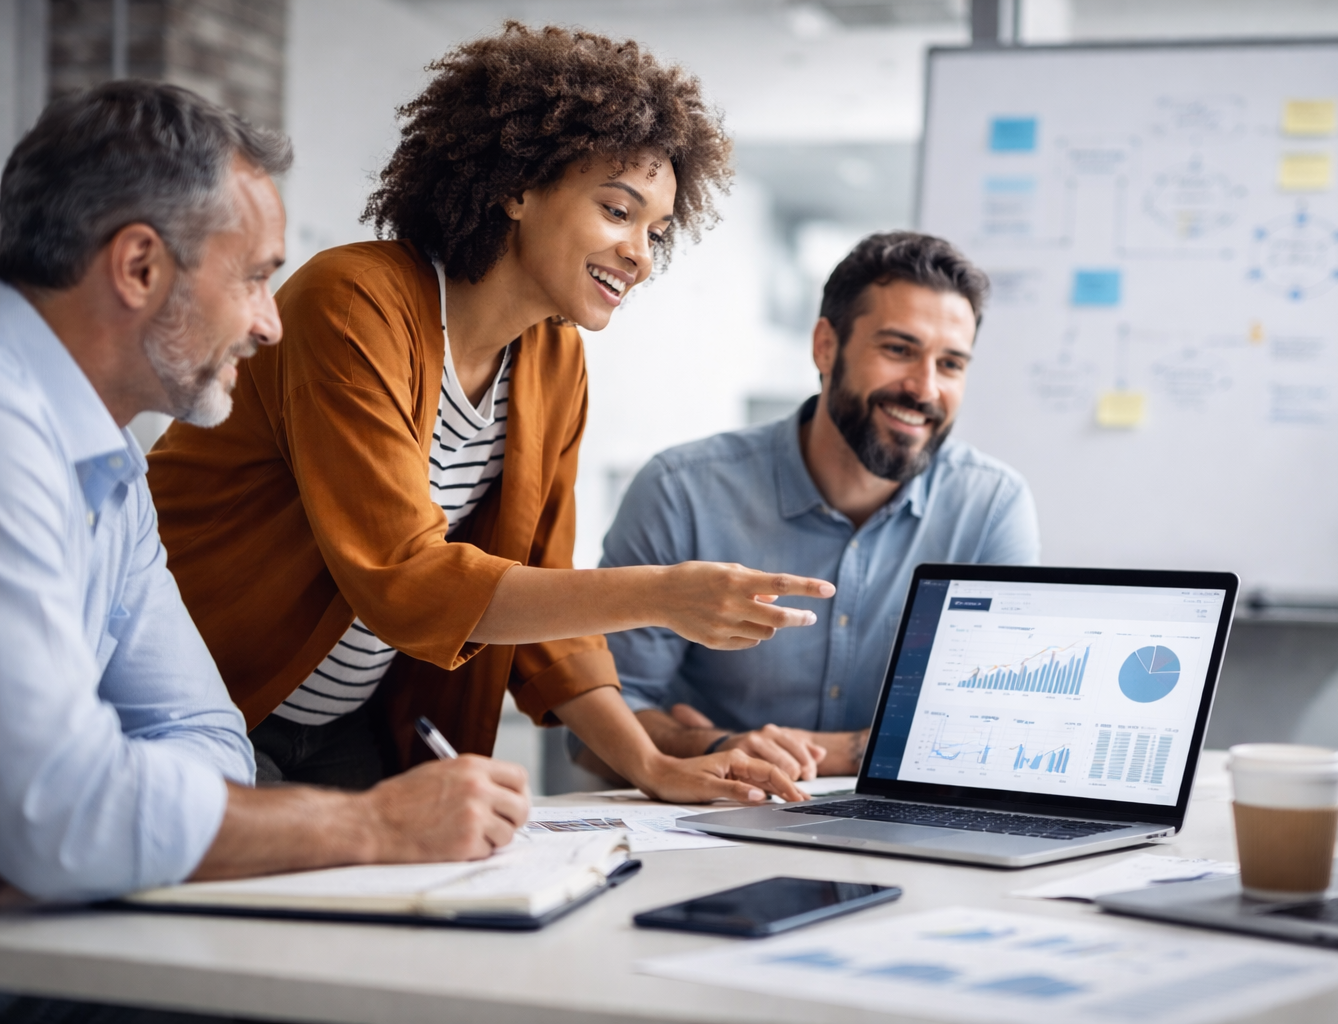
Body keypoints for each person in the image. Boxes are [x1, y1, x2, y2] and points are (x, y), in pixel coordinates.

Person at [145, 22, 827, 803]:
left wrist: (654, 767)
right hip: (206, 705)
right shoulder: (356, 302)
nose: (640, 252)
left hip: (351, 726)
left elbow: (545, 604)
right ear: (518, 186)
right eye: (617, 210)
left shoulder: (552, 360)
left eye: (656, 231)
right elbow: (404, 578)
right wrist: (666, 595)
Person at [0, 80, 533, 914]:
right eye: (253, 278)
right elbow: (58, 814)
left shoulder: (112, 468)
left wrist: (110, 809)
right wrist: (371, 827)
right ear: (138, 266)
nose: (269, 323)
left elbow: (207, 735)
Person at [586, 232, 1040, 783]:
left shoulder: (991, 507)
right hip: (717, 829)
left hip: (900, 837)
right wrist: (721, 747)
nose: (924, 388)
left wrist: (804, 751)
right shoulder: (681, 491)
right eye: (898, 350)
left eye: (950, 365)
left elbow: (989, 729)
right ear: (826, 345)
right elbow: (594, 728)